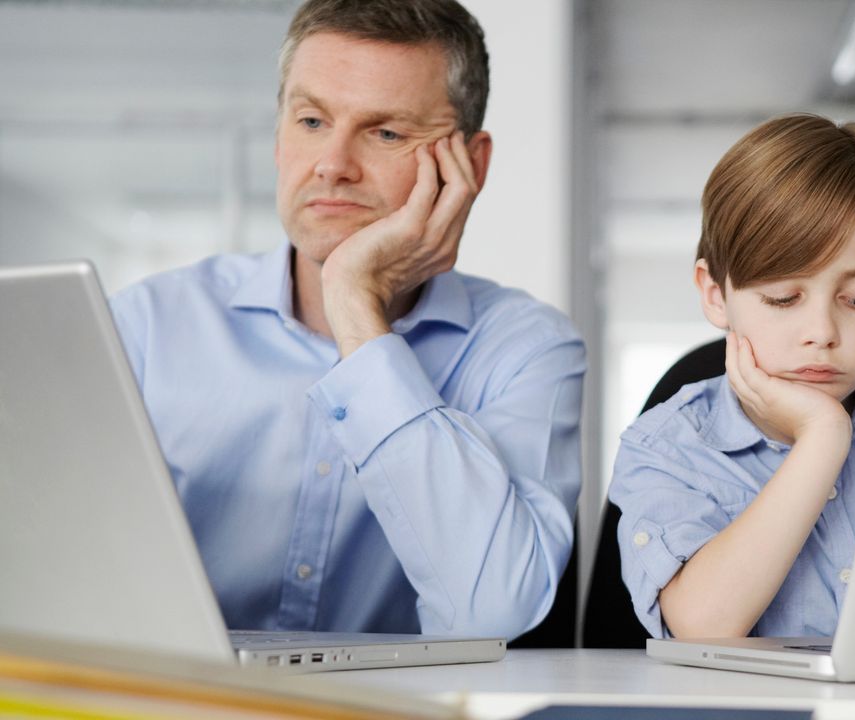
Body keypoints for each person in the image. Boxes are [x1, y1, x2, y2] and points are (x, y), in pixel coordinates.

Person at [109, 0, 585, 640]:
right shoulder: (146, 326)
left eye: (385, 133)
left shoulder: (526, 349)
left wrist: (357, 309)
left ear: (469, 164)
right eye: (311, 120)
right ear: (279, 138)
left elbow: (489, 611)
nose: (332, 163)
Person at [609, 114, 855, 639]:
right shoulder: (668, 447)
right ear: (715, 294)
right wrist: (822, 437)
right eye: (783, 298)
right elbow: (704, 626)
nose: (821, 332)